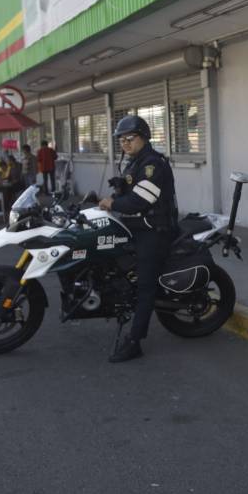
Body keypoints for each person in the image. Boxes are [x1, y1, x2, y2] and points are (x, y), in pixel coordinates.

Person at [98, 116, 178, 363]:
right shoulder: (135, 162)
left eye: (130, 138)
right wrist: (118, 189)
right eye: (121, 139)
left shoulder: (153, 164)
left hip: (154, 230)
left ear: (144, 137)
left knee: (145, 285)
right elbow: (130, 191)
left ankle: (135, 341)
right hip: (137, 226)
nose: (125, 143)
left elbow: (139, 201)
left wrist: (113, 203)